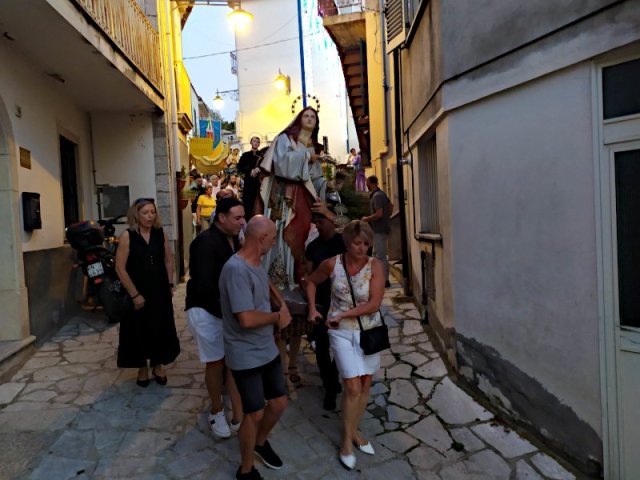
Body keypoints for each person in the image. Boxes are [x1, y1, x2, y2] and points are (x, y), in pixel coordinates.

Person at [306, 221, 384, 470]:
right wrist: (311, 308)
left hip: (369, 331)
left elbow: (374, 304)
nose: (362, 248)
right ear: (347, 243)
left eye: (365, 243)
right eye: (357, 243)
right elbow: (310, 281)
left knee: (364, 384)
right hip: (340, 333)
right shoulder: (332, 264)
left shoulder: (376, 266)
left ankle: (353, 431)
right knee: (351, 386)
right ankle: (347, 442)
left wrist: (343, 314)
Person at [219, 215, 293, 480]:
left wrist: (280, 303)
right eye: (273, 238)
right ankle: (246, 469)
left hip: (265, 347)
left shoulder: (255, 261)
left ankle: (260, 443)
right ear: (262, 239)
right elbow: (246, 319)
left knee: (279, 402)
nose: (276, 241)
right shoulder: (235, 270)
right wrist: (277, 317)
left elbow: (267, 283)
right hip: (245, 352)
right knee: (255, 412)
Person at [186, 197, 245, 439]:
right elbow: (204, 286)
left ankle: (237, 412)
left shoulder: (232, 240)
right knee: (215, 362)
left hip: (224, 311)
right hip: (206, 310)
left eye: (243, 217)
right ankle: (216, 410)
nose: (243, 222)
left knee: (230, 361)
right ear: (221, 218)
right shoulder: (204, 243)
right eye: (237, 218)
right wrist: (234, 314)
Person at [258, 106, 328, 288]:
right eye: (306, 116)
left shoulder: (313, 146)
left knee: (305, 231)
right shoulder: (285, 138)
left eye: (313, 116)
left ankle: (301, 276)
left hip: (305, 195)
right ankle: (282, 278)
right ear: (299, 119)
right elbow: (281, 163)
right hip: (285, 194)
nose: (310, 119)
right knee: (284, 231)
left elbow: (315, 177)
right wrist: (306, 156)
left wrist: (328, 186)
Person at [115, 197, 180, 387]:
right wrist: (134, 294)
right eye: (145, 213)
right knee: (138, 329)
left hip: (159, 289)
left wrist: (169, 284)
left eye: (152, 212)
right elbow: (120, 268)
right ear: (136, 215)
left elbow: (169, 259)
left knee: (159, 327)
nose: (150, 216)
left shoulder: (160, 234)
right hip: (138, 289)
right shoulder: (128, 236)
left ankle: (158, 365)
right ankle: (142, 367)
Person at [304, 208, 344, 410]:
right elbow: (309, 275)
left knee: (339, 346)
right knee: (321, 346)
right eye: (315, 222)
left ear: (330, 220)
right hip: (320, 302)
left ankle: (333, 379)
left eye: (320, 221)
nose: (317, 226)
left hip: (341, 303)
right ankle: (329, 384)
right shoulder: (312, 247)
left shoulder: (343, 242)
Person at [362, 175, 392, 287]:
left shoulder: (377, 196)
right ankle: (380, 279)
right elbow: (391, 206)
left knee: (380, 256)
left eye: (367, 183)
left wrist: (366, 219)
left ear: (372, 183)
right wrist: (387, 219)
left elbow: (379, 214)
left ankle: (385, 281)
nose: (366, 185)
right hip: (380, 229)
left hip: (379, 230)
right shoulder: (381, 194)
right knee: (377, 255)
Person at [237, 136, 263, 220]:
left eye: (258, 142)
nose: (256, 143)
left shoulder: (262, 155)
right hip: (249, 183)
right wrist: (250, 170)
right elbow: (240, 167)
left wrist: (259, 168)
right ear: (251, 143)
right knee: (248, 204)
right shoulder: (245, 155)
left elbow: (266, 165)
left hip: (259, 183)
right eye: (254, 141)